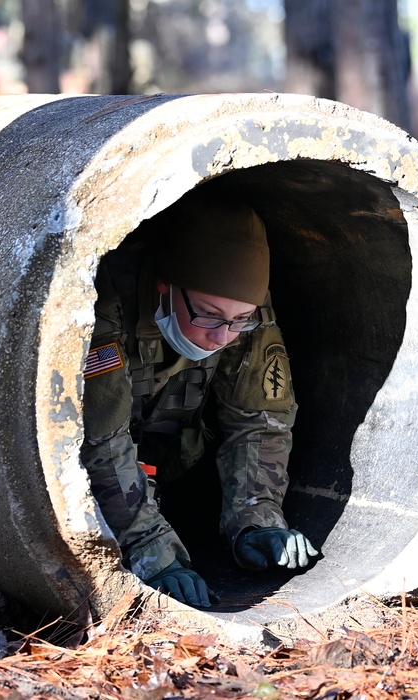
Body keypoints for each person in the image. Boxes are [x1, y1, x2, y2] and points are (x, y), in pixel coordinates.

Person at [81, 188, 318, 608]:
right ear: (164, 287)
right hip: (101, 480)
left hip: (172, 461)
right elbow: (102, 443)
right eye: (209, 315)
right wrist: (152, 552)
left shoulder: (243, 316)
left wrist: (257, 517)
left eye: (239, 320)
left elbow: (261, 420)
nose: (222, 336)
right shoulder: (103, 307)